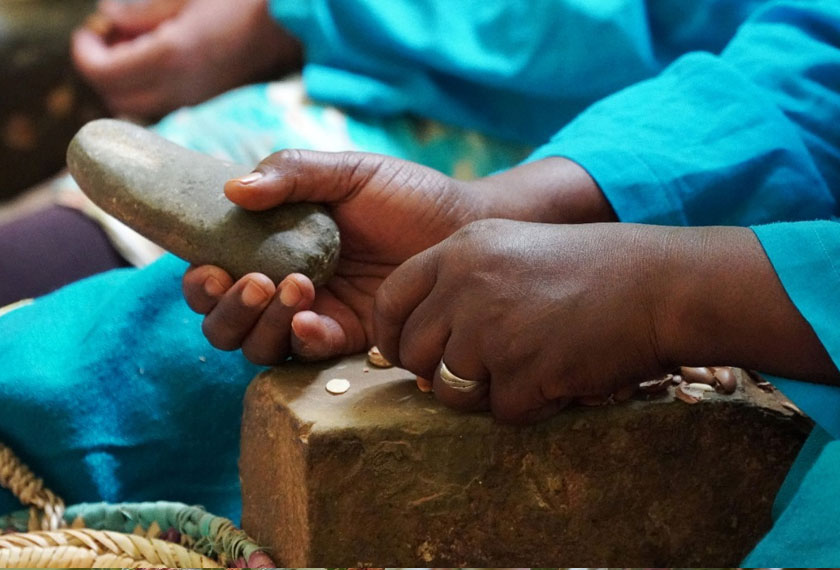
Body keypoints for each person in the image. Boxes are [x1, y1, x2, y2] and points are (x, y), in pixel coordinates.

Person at [1, 0, 838, 564]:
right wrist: (501, 212)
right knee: (154, 352)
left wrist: (679, 294)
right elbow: (816, 61)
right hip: (679, 193)